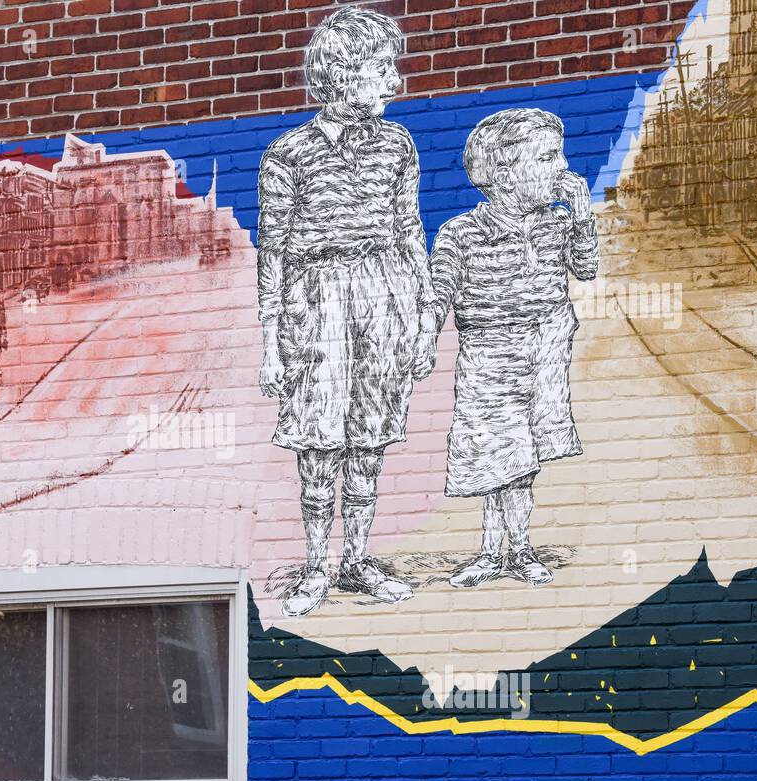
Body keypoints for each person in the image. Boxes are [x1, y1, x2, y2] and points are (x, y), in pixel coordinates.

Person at [257, 7, 434, 617]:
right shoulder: (290, 154)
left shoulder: (398, 145)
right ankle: (315, 566)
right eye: (381, 68)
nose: (394, 81)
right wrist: (270, 344)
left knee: (369, 439)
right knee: (318, 440)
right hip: (317, 300)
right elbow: (273, 254)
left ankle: (355, 559)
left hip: (382, 293)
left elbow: (411, 232)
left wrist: (421, 318)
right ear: (341, 73)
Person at [418, 108, 599, 588]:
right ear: (505, 174)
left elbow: (585, 269)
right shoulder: (461, 233)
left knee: (525, 460)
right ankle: (492, 552)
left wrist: (582, 221)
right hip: (489, 353)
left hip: (545, 347)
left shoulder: (555, 224)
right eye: (546, 157)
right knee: (498, 453)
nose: (560, 166)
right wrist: (425, 336)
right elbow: (438, 293)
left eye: (559, 154)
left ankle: (513, 549)